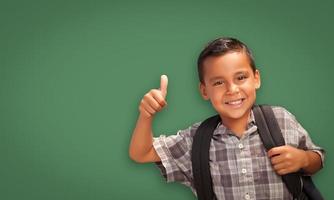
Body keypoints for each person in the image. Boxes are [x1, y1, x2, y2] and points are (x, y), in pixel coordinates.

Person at [129, 37, 325, 199]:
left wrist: (304, 159)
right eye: (219, 82)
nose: (232, 90)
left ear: (256, 78)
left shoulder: (280, 119)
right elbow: (141, 153)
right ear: (204, 90)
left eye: (240, 78)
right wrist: (146, 115)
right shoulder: (195, 140)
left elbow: (317, 158)